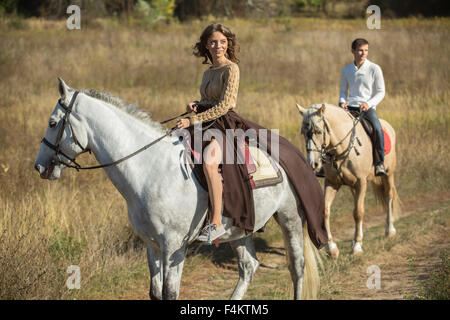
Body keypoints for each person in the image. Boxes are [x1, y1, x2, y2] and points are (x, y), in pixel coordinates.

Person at [176, 23, 327, 248]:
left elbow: (225, 105)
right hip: (206, 119)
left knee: (209, 162)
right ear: (206, 45)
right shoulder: (208, 72)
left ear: (228, 45)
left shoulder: (232, 69)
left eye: (223, 42)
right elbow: (210, 102)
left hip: (224, 123)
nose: (218, 46)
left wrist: (193, 119)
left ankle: (216, 221)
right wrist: (197, 105)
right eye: (214, 42)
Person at [339, 38, 387, 176]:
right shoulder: (346, 69)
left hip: (367, 108)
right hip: (349, 108)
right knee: (331, 128)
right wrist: (342, 101)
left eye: (366, 50)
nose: (363, 53)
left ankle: (379, 163)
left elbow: (381, 91)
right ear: (353, 51)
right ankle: (326, 164)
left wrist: (369, 104)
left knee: (377, 129)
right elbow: (343, 90)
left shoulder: (374, 68)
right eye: (360, 50)